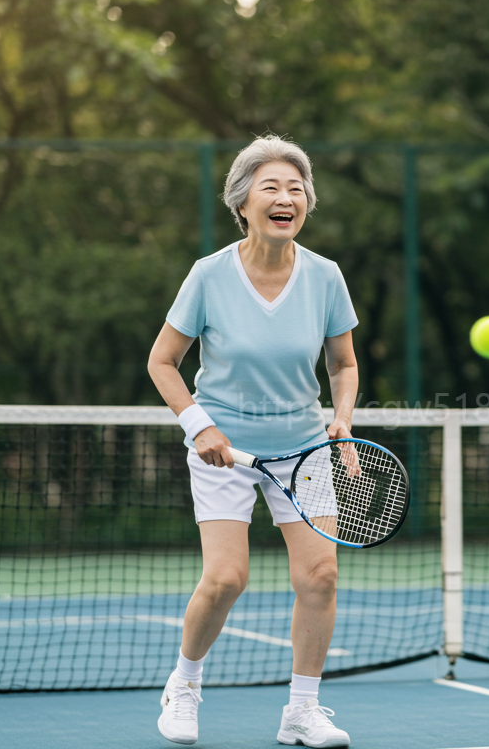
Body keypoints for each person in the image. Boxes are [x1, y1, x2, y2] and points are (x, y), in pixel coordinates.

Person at [146, 135, 359, 748]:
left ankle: (302, 712)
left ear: (307, 203)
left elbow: (342, 366)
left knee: (320, 576)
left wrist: (340, 417)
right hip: (224, 446)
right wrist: (199, 426)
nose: (285, 197)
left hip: (304, 446)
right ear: (243, 202)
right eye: (271, 187)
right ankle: (184, 686)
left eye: (296, 188)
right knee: (226, 578)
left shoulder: (325, 277)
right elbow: (163, 363)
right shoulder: (208, 274)